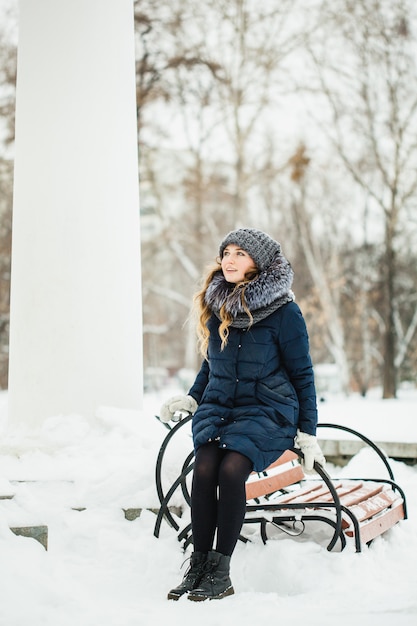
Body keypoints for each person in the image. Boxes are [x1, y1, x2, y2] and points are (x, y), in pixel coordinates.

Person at [159, 227, 325, 602]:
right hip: (220, 409)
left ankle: (222, 573)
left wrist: (308, 432)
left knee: (232, 469)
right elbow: (211, 363)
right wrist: (193, 398)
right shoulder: (218, 303)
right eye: (226, 252)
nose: (229, 260)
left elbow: (302, 373)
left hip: (268, 411)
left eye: (240, 254)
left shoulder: (285, 312)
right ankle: (198, 566)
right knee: (204, 470)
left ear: (259, 264)